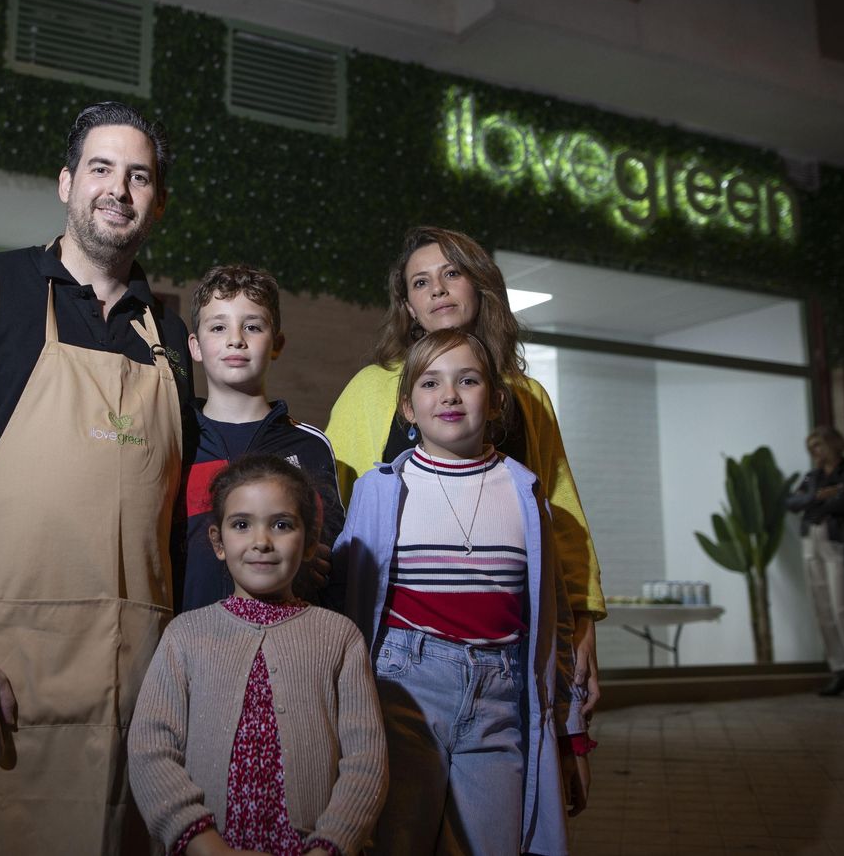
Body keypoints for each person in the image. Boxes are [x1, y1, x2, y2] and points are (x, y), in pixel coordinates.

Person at [0, 102, 193, 853]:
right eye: (100, 168)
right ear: (66, 182)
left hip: (136, 687)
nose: (117, 189)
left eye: (139, 176)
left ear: (156, 201)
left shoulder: (175, 339)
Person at [325, 226, 605, 716]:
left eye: (451, 273)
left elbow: (560, 519)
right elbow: (333, 516)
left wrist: (582, 621)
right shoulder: (370, 390)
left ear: (478, 285)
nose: (437, 289)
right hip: (397, 653)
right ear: (409, 308)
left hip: (510, 649)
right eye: (420, 282)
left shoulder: (526, 396)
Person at [333, 328, 589, 856]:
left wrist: (571, 720)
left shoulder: (526, 493)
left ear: (495, 400)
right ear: (407, 406)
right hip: (403, 688)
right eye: (430, 383)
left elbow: (553, 618)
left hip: (501, 693)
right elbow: (347, 604)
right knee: (396, 839)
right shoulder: (381, 490)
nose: (448, 395)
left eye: (467, 380)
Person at [129, 454, 388, 856]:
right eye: (242, 524)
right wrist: (204, 844)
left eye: (282, 525)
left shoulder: (340, 638)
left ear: (307, 542)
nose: (261, 541)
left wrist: (331, 845)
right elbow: (150, 749)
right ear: (218, 542)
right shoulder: (185, 636)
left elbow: (366, 761)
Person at [179, 264, 344, 612]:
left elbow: (331, 556)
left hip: (290, 644)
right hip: (192, 644)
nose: (235, 339)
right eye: (218, 326)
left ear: (277, 344)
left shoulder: (308, 446)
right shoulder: (176, 439)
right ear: (195, 346)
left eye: (252, 327)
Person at [786, 426, 844, 699]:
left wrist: (814, 502)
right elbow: (791, 503)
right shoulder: (814, 476)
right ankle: (842, 672)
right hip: (812, 541)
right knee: (823, 610)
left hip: (841, 542)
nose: (816, 451)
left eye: (820, 444)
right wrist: (817, 497)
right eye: (812, 446)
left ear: (835, 444)